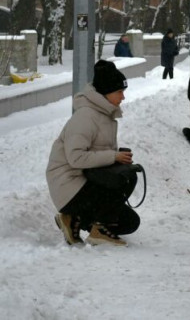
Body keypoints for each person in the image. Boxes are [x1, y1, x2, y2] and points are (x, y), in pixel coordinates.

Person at [46, 60, 139, 246]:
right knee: (124, 178)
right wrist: (113, 157)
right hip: (69, 185)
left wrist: (117, 158)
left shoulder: (104, 115)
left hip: (85, 180)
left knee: (129, 222)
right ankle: (97, 229)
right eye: (119, 92)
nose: (123, 97)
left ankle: (73, 218)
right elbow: (76, 158)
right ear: (106, 92)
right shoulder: (86, 117)